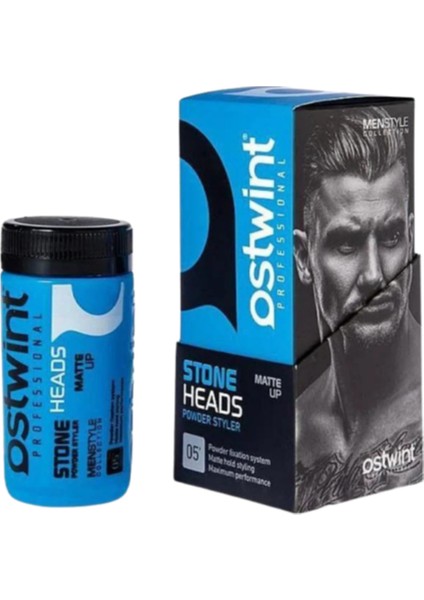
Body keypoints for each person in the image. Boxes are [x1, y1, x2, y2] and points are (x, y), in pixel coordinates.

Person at [294, 106, 422, 511]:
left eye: (391, 237)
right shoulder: (294, 425)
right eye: (347, 244)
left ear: (412, 235)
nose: (374, 274)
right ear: (303, 258)